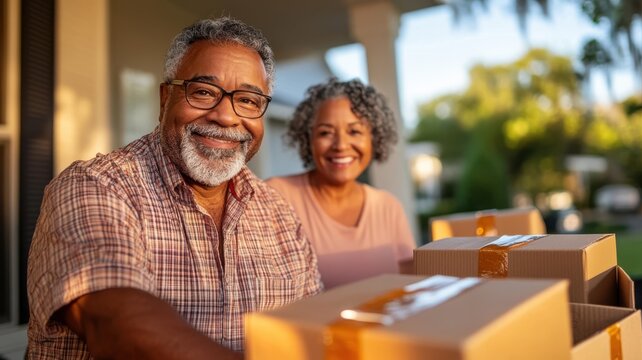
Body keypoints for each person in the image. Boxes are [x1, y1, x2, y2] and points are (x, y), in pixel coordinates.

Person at [26, 17, 322, 359]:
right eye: (203, 92)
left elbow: (311, 328)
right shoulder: (95, 187)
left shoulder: (277, 210)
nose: (226, 116)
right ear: (166, 97)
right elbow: (118, 328)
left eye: (248, 100)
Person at [266, 78, 416, 289]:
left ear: (374, 139)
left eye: (354, 131)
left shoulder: (388, 207)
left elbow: (409, 288)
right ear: (308, 139)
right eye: (325, 133)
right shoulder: (275, 197)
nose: (341, 145)